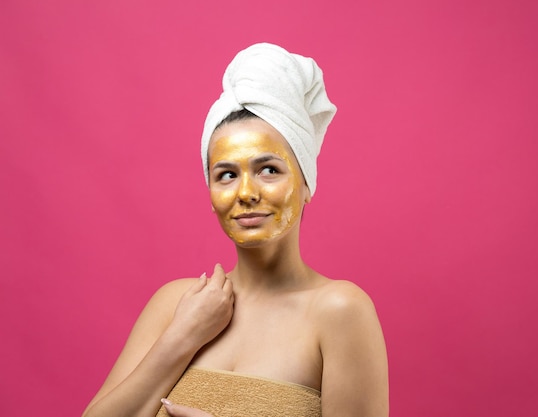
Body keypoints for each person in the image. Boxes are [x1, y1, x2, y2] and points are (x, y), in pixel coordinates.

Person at [82, 43, 388, 417]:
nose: (245, 193)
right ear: (211, 194)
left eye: (269, 170)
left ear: (306, 182)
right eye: (226, 175)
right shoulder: (179, 304)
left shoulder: (339, 311)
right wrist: (182, 337)